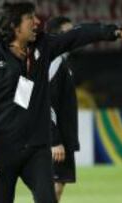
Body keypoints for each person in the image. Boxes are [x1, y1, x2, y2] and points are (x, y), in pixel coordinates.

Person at [0, 2, 122, 203]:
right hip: (2, 151)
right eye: (30, 18)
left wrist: (116, 32)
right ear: (14, 26)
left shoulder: (43, 47)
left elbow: (76, 35)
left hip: (37, 150)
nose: (37, 22)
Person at [46, 16, 79, 202]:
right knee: (53, 189)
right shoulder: (54, 63)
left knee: (58, 187)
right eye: (69, 32)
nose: (74, 36)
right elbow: (45, 103)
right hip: (54, 139)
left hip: (61, 138)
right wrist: (54, 139)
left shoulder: (63, 62)